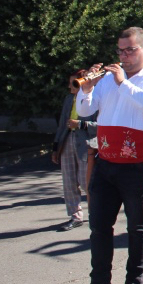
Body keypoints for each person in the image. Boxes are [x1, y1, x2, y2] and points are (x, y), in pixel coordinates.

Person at [69, 27, 143, 284]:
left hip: (138, 163)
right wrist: (88, 89)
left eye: (130, 50)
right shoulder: (106, 80)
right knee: (99, 227)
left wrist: (122, 82)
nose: (124, 56)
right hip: (106, 161)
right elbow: (87, 110)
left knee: (138, 227)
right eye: (120, 51)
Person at [52, 70, 98, 231]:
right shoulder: (68, 99)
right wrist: (56, 147)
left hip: (86, 143)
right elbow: (61, 124)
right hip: (67, 141)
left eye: (74, 82)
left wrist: (80, 124)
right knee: (69, 181)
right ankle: (75, 216)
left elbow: (103, 126)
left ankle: (97, 213)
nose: (71, 86)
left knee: (86, 182)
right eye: (71, 82)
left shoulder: (94, 100)